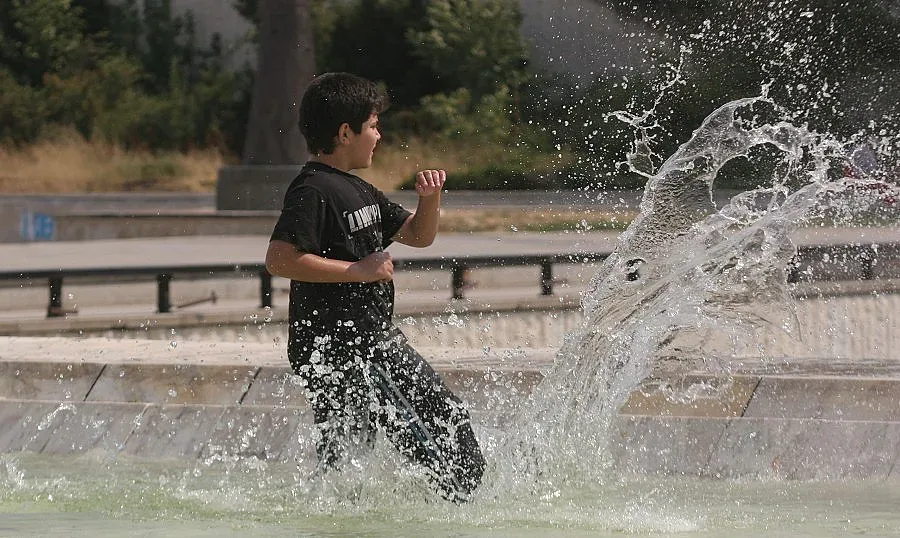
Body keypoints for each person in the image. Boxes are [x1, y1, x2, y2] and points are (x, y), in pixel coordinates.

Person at [265, 72, 485, 502]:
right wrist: (357, 271)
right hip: (350, 348)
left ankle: (338, 516)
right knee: (444, 426)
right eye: (372, 126)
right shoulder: (312, 190)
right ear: (345, 133)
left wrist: (430, 201)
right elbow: (279, 258)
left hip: (361, 344)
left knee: (348, 455)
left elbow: (417, 236)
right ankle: (467, 511)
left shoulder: (358, 189)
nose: (378, 135)